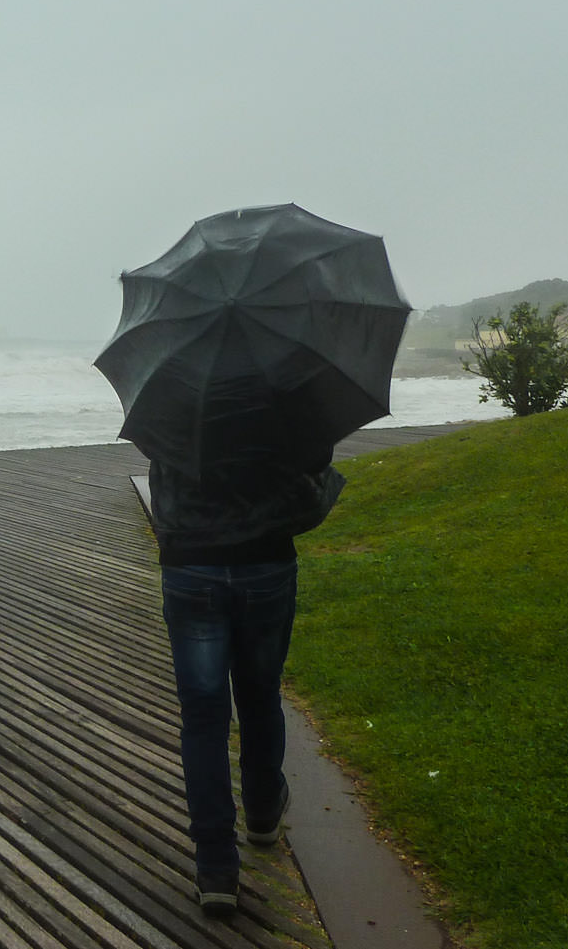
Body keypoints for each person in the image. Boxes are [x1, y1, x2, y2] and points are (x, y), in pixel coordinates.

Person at [146, 393, 344, 920]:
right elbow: (317, 461)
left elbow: (153, 453)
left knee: (204, 718)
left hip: (191, 568)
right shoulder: (288, 385)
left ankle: (215, 867)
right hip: (265, 564)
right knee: (259, 696)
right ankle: (261, 814)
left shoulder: (172, 385)